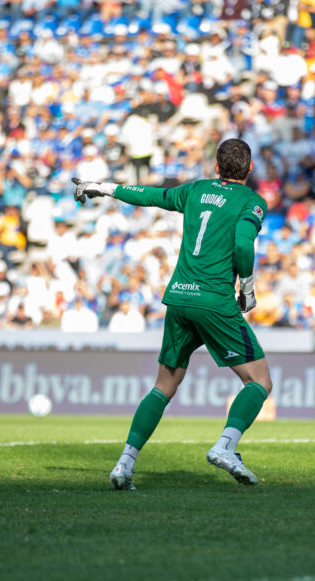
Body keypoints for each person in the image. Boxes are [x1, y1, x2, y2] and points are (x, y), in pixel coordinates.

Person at [72, 139, 272, 490]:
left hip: (179, 297)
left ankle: (124, 464)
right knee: (259, 381)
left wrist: (102, 187)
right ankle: (225, 446)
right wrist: (249, 289)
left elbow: (148, 195)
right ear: (250, 168)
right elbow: (243, 242)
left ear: (216, 166)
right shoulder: (252, 202)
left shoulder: (194, 190)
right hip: (214, 301)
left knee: (163, 387)